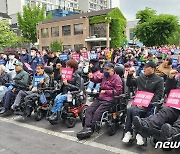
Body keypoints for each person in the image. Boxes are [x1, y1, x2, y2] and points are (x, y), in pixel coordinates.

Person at [77, 63, 123, 139]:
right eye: (104, 69)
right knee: (89, 110)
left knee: (98, 112)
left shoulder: (117, 79)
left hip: (110, 99)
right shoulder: (104, 76)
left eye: (107, 70)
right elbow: (96, 79)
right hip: (100, 98)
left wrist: (106, 92)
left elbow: (118, 91)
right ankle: (87, 127)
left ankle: (92, 128)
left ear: (112, 70)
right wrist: (91, 77)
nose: (105, 71)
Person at [122, 61, 164, 145]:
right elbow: (129, 84)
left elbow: (158, 95)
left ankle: (139, 133)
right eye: (144, 67)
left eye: (146, 67)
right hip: (138, 102)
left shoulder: (159, 80)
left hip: (149, 104)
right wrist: (130, 75)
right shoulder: (141, 78)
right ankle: (128, 132)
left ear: (152, 69)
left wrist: (147, 103)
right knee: (130, 109)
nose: (144, 69)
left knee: (135, 111)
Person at [133, 69, 180, 140]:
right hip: (176, 106)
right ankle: (146, 124)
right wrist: (170, 78)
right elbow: (169, 91)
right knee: (165, 111)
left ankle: (173, 132)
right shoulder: (178, 78)